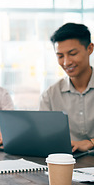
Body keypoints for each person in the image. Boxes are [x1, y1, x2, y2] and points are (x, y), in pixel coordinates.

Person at [40, 23, 94, 152]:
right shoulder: (50, 95)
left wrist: (90, 143)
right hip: (67, 162)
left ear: (90, 49)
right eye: (60, 56)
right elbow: (44, 136)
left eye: (73, 53)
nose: (66, 62)